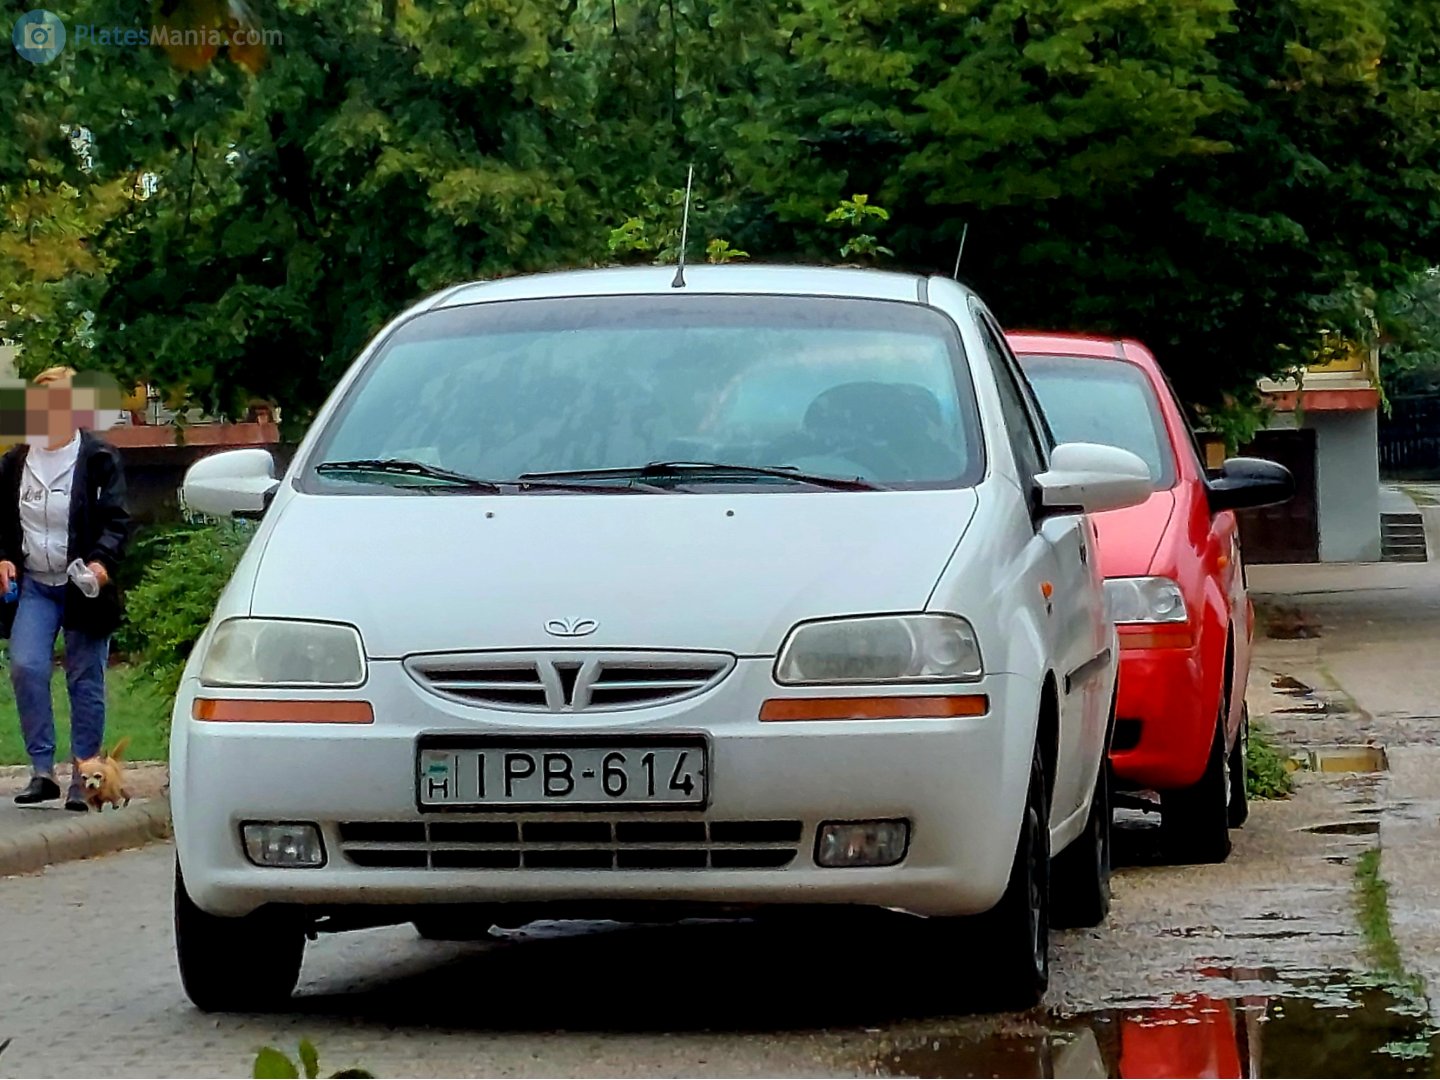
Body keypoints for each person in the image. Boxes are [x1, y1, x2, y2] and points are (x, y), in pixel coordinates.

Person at [0, 367, 132, 810]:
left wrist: (101, 563)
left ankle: (84, 778)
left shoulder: (98, 458)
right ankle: (42, 771)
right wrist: (3, 556)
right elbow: (2, 522)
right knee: (27, 665)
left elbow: (116, 519)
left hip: (84, 587)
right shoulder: (17, 461)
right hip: (36, 583)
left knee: (84, 679)